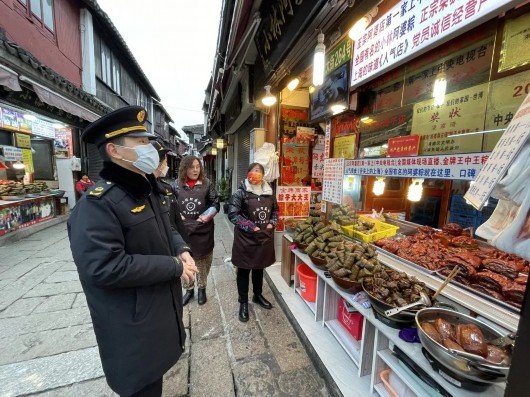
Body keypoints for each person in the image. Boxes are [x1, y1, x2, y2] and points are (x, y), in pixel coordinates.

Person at [67, 106, 198, 397]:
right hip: (131, 330)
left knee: (156, 381)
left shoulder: (147, 189)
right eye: (140, 143)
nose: (150, 148)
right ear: (115, 150)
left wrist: (182, 249)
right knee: (144, 388)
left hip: (155, 319)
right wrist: (174, 266)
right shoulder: (98, 204)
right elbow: (104, 267)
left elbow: (168, 228)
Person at [228, 162, 279, 322]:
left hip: (264, 237)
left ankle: (257, 295)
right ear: (248, 173)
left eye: (259, 171)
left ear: (263, 175)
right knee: (243, 270)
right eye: (253, 171)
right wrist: (251, 227)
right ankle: (243, 302)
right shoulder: (240, 193)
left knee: (259, 268)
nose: (256, 173)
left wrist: (272, 223)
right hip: (245, 240)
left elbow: (276, 210)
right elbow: (233, 215)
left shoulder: (269, 192)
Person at [171, 155, 219, 305]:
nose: (196, 170)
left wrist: (202, 218)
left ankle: (202, 288)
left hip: (203, 229)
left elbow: (215, 203)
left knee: (203, 260)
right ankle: (189, 289)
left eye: (198, 167)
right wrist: (178, 217)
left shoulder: (207, 184)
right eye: (192, 167)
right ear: (185, 168)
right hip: (183, 231)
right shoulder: (175, 185)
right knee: (186, 259)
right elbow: (170, 205)